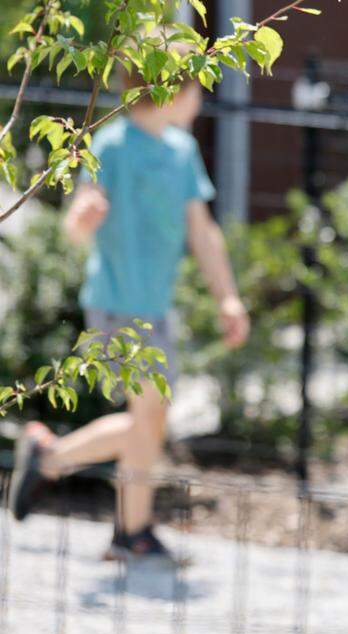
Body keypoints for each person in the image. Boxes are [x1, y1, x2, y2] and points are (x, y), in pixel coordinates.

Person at [7, 60, 249, 565]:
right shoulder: (112, 146)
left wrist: (227, 295)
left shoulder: (182, 152)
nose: (201, 98)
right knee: (149, 417)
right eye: (196, 87)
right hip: (116, 305)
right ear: (169, 90)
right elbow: (77, 223)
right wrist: (82, 220)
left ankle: (59, 463)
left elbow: (202, 232)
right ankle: (129, 528)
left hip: (155, 309)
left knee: (149, 421)